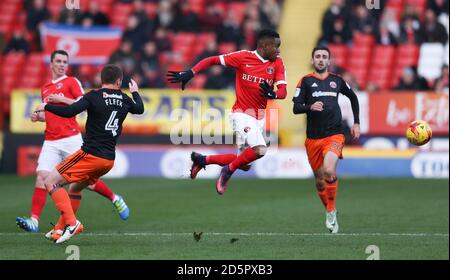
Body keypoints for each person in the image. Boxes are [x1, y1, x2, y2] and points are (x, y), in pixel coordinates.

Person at [16, 50, 129, 233]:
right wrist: (40, 117)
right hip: (51, 139)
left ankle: (115, 198)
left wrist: (61, 99)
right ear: (51, 63)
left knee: (86, 182)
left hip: (71, 138)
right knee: (42, 178)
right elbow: (52, 114)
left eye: (65, 62)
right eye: (58, 61)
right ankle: (34, 221)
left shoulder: (71, 82)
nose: (62, 64)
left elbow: (81, 104)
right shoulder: (45, 88)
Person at [167, 29, 287, 195]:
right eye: (276, 46)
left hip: (258, 118)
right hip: (241, 114)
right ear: (264, 46)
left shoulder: (278, 63)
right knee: (260, 150)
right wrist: (191, 72)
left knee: (244, 164)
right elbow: (212, 60)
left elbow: (283, 92)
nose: (279, 50)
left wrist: (273, 94)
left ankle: (203, 160)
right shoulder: (243, 57)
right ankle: (226, 171)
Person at [35, 65, 144, 243]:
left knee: (50, 181)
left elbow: (70, 111)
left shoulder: (94, 96)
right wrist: (135, 92)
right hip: (108, 160)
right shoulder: (124, 98)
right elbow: (139, 109)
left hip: (90, 154)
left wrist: (47, 106)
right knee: (76, 188)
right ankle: (58, 229)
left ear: (101, 80)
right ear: (119, 81)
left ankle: (72, 223)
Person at [292, 47, 360, 234]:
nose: (321, 60)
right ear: (312, 59)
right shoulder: (305, 81)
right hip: (313, 138)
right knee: (320, 181)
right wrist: (309, 106)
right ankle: (329, 208)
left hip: (335, 134)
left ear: (329, 61)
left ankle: (331, 211)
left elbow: (353, 98)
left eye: (324, 57)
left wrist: (356, 123)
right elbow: (296, 108)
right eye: (318, 57)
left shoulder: (337, 80)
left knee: (330, 170)